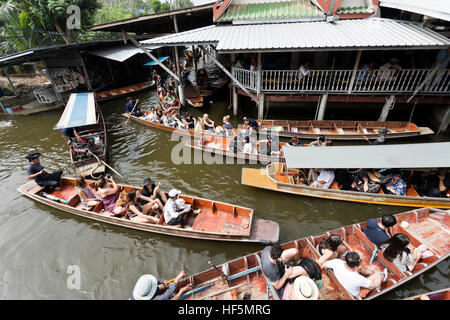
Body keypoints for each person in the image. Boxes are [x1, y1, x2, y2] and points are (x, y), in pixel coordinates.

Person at [323, 251, 387, 297]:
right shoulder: (358, 278)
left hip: (343, 283)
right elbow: (374, 285)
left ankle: (370, 274)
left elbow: (324, 265)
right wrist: (382, 275)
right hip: (354, 293)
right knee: (375, 278)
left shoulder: (336, 262)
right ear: (355, 267)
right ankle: (380, 274)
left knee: (362, 270)